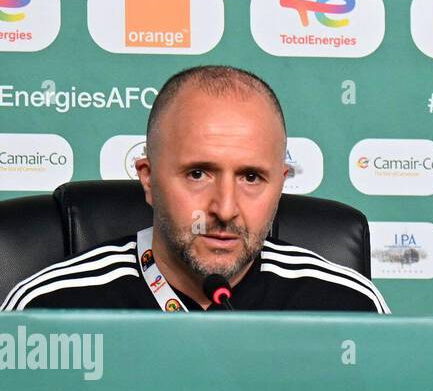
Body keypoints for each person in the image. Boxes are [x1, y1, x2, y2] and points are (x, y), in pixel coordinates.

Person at [3, 66, 388, 313]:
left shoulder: (349, 306)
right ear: (148, 177)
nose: (224, 208)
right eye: (198, 174)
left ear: (281, 184)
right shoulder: (49, 307)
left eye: (251, 177)